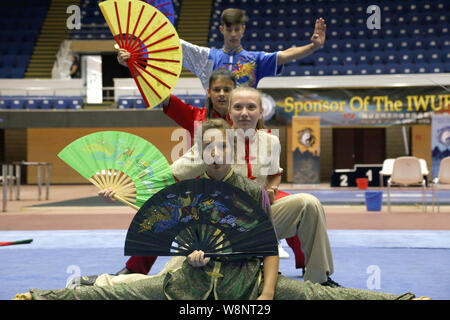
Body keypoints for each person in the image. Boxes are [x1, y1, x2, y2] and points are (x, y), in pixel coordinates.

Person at [13, 119, 424, 300]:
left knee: (314, 296)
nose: (214, 153)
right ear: (200, 151)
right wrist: (187, 253)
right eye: (207, 147)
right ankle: (76, 286)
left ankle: (403, 298)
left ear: (230, 149)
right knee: (128, 291)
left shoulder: (250, 190)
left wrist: (264, 293)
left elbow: (265, 245)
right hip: (191, 274)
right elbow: (160, 215)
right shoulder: (191, 188)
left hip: (242, 281)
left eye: (221, 146)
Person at [169, 86, 339, 287]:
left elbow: (274, 174)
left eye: (251, 107)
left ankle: (319, 281)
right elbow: (174, 174)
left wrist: (272, 191)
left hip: (259, 219)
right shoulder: (216, 140)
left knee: (308, 203)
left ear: (260, 111)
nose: (244, 113)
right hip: (222, 227)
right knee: (171, 281)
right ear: (229, 112)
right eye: (238, 107)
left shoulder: (271, 141)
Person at [118, 8, 326, 89]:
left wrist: (313, 46)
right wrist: (133, 57)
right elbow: (170, 47)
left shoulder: (256, 59)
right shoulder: (206, 57)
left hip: (246, 126)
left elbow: (284, 55)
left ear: (243, 30)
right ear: (221, 29)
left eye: (237, 29)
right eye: (229, 29)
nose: (234, 34)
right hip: (211, 126)